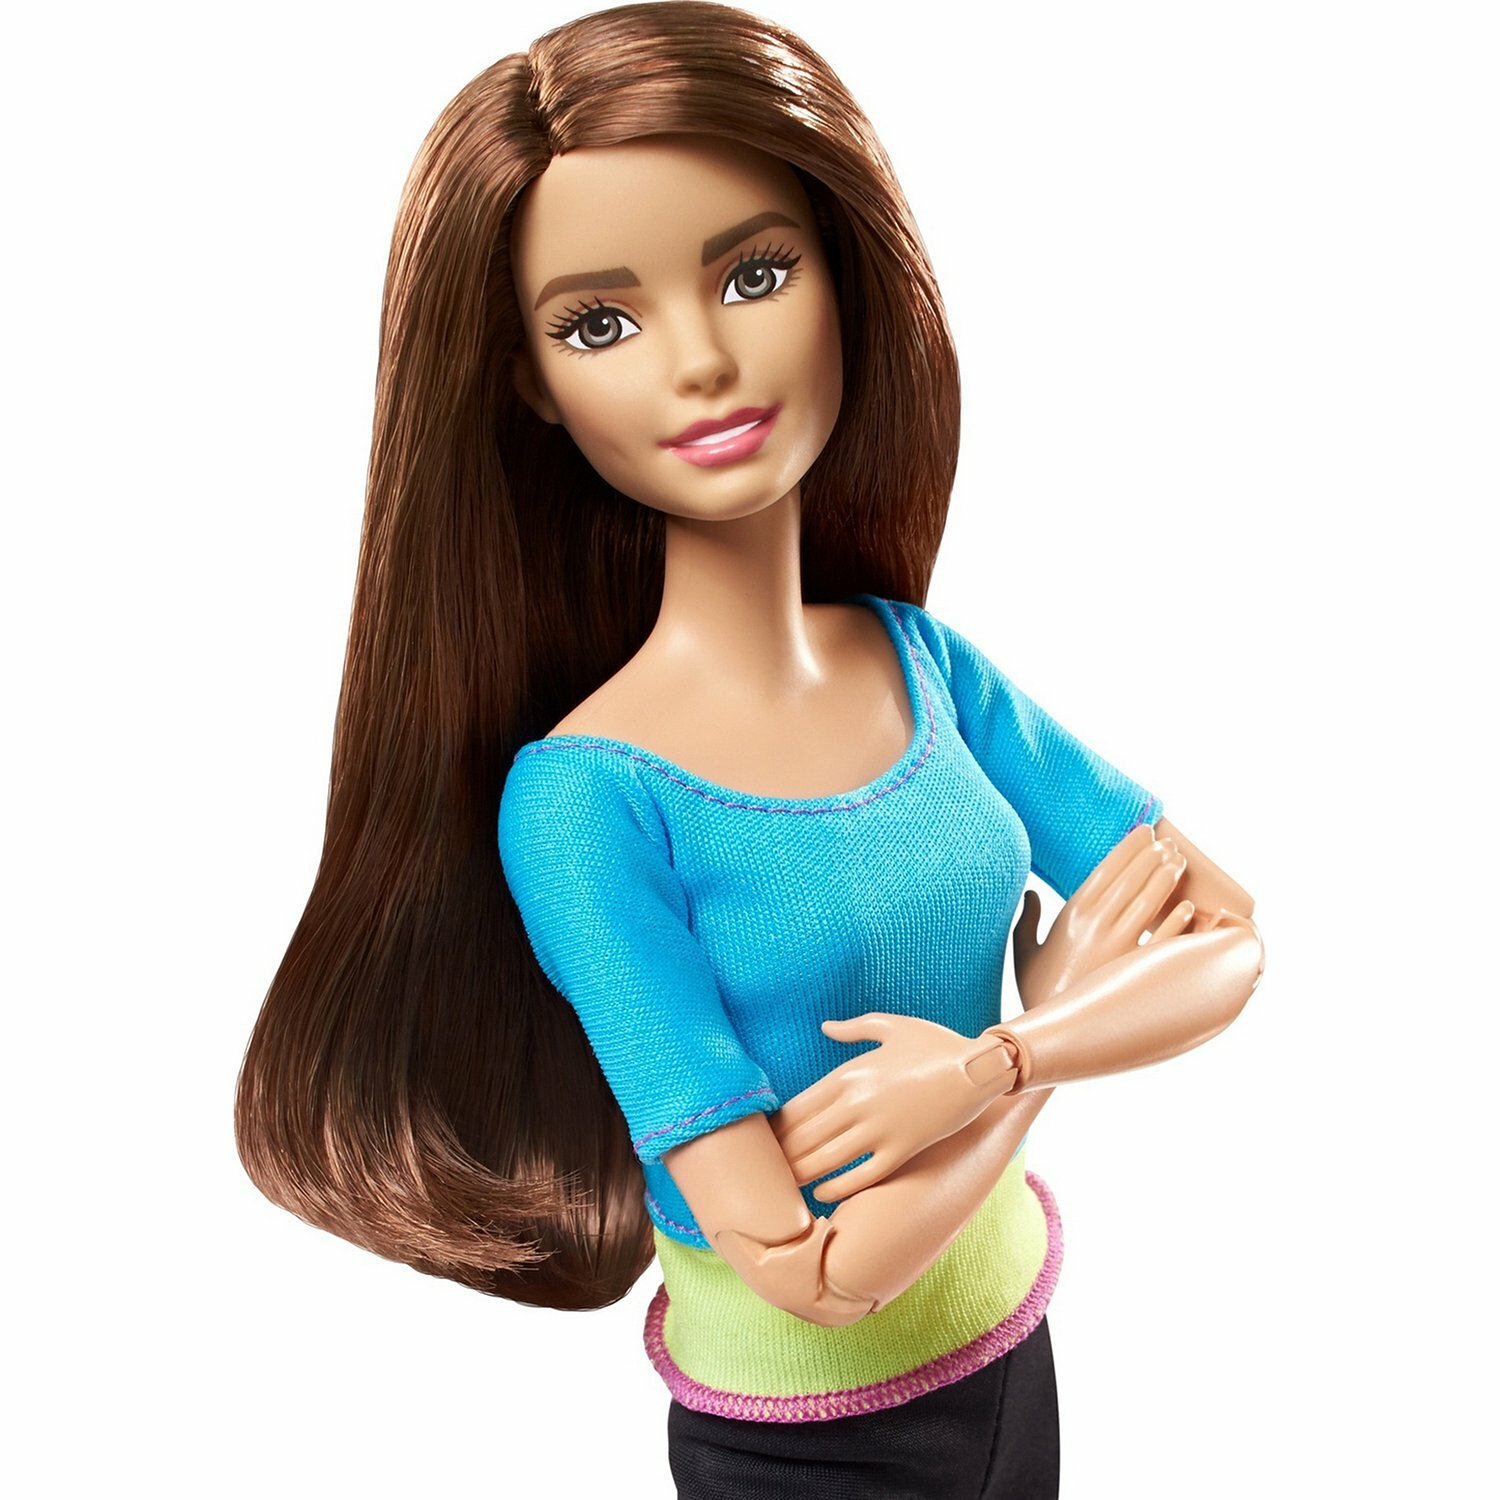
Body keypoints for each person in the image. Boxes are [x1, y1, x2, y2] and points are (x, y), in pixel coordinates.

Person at [235, 6, 1262, 1494]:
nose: (706, 362)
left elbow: (1223, 934)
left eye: (755, 274)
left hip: (1010, 1354)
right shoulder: (584, 804)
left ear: (844, 276)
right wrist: (1023, 1057)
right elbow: (814, 1270)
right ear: (530, 383)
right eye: (601, 323)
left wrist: (1011, 1053)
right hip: (802, 1445)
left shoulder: (922, 664)